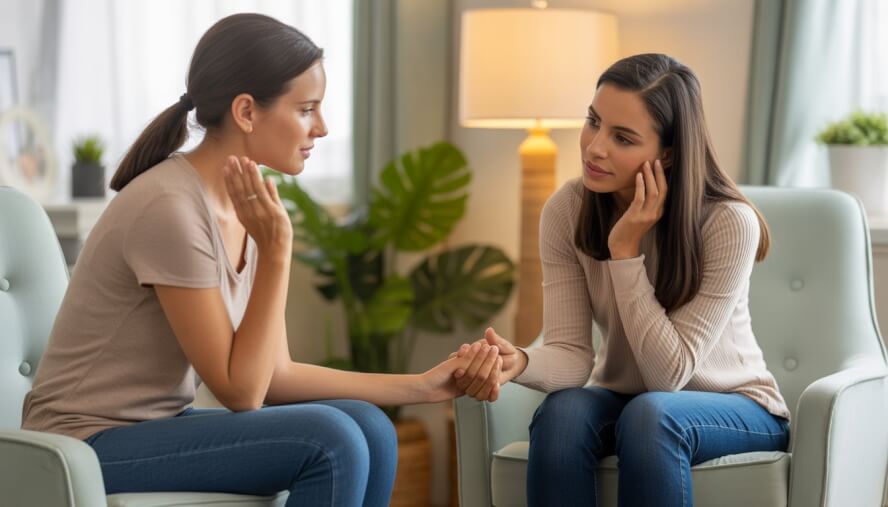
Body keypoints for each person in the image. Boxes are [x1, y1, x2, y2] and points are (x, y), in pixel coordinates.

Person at [21, 13, 501, 507]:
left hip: (151, 428)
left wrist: (421, 386)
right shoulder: (170, 208)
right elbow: (241, 392)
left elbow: (277, 375)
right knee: (329, 441)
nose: (322, 127)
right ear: (247, 112)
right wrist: (275, 252)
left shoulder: (240, 206)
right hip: (83, 443)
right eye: (307, 108)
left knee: (372, 428)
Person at [452, 53, 790, 506]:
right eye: (593, 121)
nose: (594, 147)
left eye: (623, 138)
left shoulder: (728, 222)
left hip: (737, 407)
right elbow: (573, 356)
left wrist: (625, 251)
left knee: (653, 414)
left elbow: (668, 377)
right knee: (563, 413)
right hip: (633, 404)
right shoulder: (567, 209)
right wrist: (522, 361)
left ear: (666, 153)